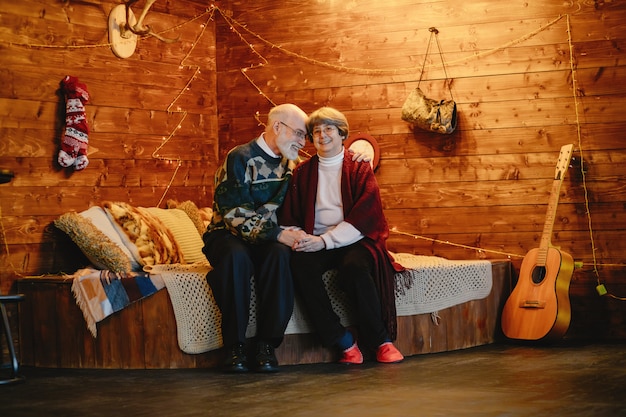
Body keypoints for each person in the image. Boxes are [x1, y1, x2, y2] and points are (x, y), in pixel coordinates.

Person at [279, 107, 405, 365]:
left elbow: (366, 216)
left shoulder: (359, 167)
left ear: (341, 133)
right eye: (316, 131)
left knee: (355, 267)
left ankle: (381, 340)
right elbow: (290, 216)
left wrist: (325, 241)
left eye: (329, 129)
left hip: (353, 241)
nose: (322, 136)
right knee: (299, 265)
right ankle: (343, 341)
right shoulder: (302, 172)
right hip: (316, 240)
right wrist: (304, 238)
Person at [202, 103, 308, 373]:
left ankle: (266, 345)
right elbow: (234, 214)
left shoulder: (290, 164)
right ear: (277, 127)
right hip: (226, 233)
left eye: (304, 136)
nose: (302, 142)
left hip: (265, 239)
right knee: (236, 257)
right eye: (298, 133)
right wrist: (278, 234)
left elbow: (326, 167)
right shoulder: (239, 157)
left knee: (279, 256)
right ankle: (235, 346)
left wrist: (353, 154)